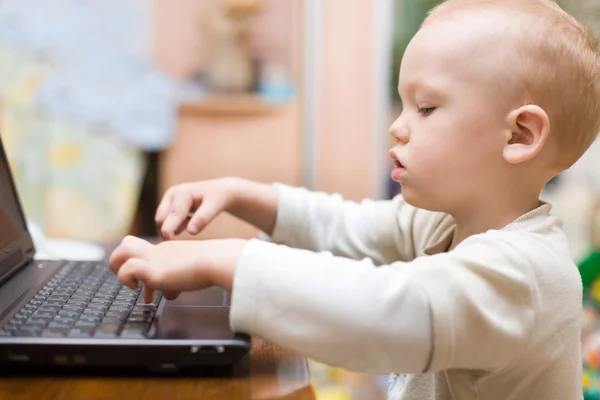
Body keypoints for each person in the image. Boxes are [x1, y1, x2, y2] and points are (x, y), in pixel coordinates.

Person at [109, 0, 600, 398]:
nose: (398, 125)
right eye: (404, 103)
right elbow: (351, 226)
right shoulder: (446, 223)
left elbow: (385, 314)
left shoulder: (524, 274)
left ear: (518, 134)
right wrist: (241, 195)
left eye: (426, 107)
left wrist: (225, 260)